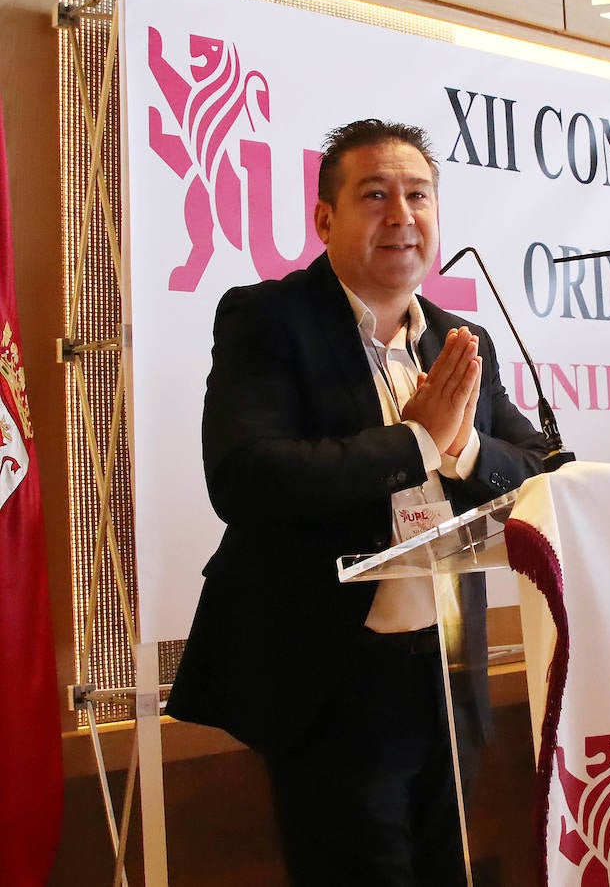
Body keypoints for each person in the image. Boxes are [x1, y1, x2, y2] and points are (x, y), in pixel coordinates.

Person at [167, 119, 551, 886]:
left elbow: (537, 465)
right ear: (324, 218)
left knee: (452, 868)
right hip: (332, 680)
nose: (402, 215)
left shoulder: (459, 338)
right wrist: (412, 443)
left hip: (446, 676)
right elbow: (245, 475)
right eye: (375, 195)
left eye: (418, 195)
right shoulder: (268, 319)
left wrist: (460, 448)